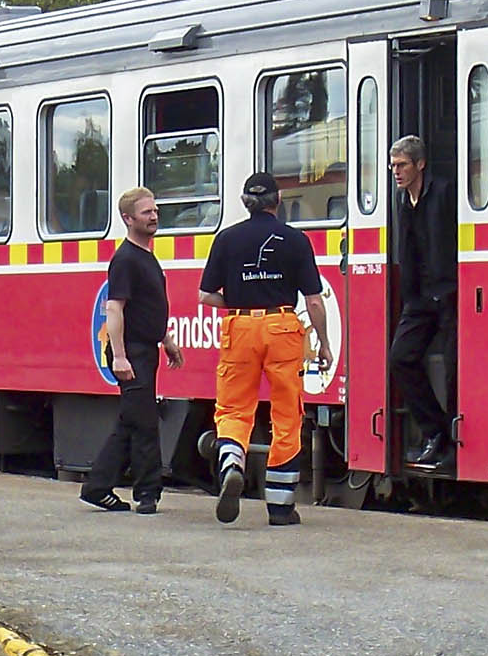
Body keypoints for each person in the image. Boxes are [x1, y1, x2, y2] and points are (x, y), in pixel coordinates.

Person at [199, 171, 330, 526]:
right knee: (287, 414)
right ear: (277, 201)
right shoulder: (296, 240)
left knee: (233, 408)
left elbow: (205, 295)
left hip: (240, 327)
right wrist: (324, 344)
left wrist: (239, 303)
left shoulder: (226, 239)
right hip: (282, 326)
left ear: (245, 203)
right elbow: (314, 302)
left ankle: (230, 462)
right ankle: (281, 507)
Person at [81, 186, 181, 514]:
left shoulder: (146, 257)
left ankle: (97, 487)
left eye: (154, 211)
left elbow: (147, 308)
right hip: (132, 353)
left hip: (144, 349)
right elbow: (115, 309)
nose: (154, 216)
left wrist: (165, 341)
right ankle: (147, 493)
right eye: (146, 212)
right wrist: (120, 356)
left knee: (131, 420)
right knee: (145, 423)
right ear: (128, 219)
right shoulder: (125, 259)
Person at [388, 135, 457, 467]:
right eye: (393, 166)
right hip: (419, 298)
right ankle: (436, 431)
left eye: (401, 165)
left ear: (421, 165)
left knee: (455, 368)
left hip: (449, 292)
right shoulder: (403, 201)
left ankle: (455, 442)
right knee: (400, 358)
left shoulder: (445, 193)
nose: (396, 172)